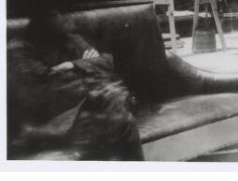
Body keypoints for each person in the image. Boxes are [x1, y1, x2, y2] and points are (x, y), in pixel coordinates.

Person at [7, 11, 144, 161]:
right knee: (119, 118)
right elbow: (46, 90)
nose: (69, 16)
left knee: (119, 118)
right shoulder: (18, 49)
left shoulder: (70, 37)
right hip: (50, 119)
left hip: (84, 107)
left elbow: (107, 61)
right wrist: (87, 68)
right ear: (43, 18)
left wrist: (71, 65)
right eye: (60, 13)